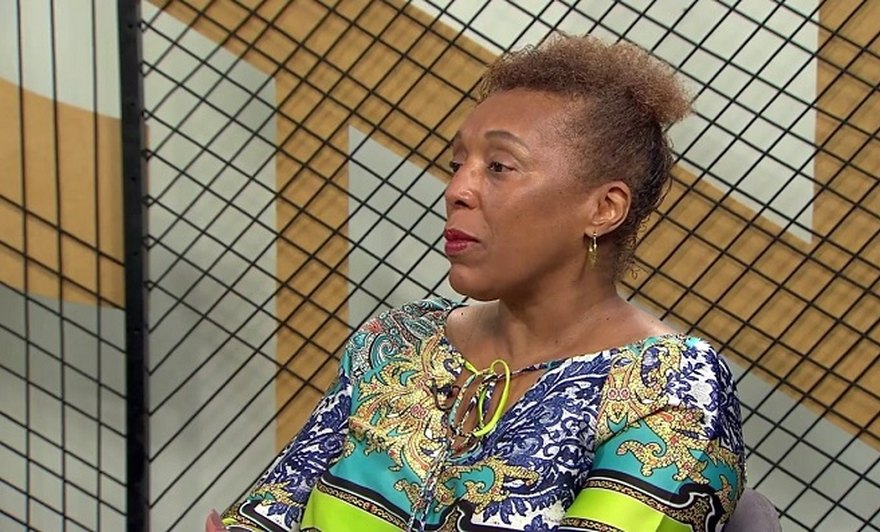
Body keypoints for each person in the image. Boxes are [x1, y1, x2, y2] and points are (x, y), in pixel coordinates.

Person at [209, 34, 745, 532]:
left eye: (499, 167)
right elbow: (267, 513)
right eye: (456, 163)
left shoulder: (670, 386)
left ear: (604, 208)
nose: (457, 189)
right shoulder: (396, 343)